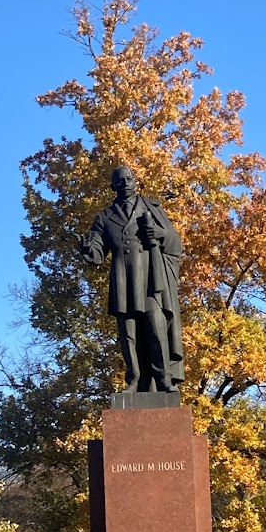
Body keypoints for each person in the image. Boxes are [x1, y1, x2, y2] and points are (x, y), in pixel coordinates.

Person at [80, 166, 184, 393]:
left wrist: (161, 234)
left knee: (156, 328)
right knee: (128, 334)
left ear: (135, 182)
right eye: (120, 181)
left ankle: (163, 379)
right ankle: (134, 379)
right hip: (123, 281)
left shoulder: (152, 208)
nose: (125, 184)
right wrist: (87, 248)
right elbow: (97, 252)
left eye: (129, 179)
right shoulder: (105, 217)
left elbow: (176, 243)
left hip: (150, 280)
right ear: (113, 186)